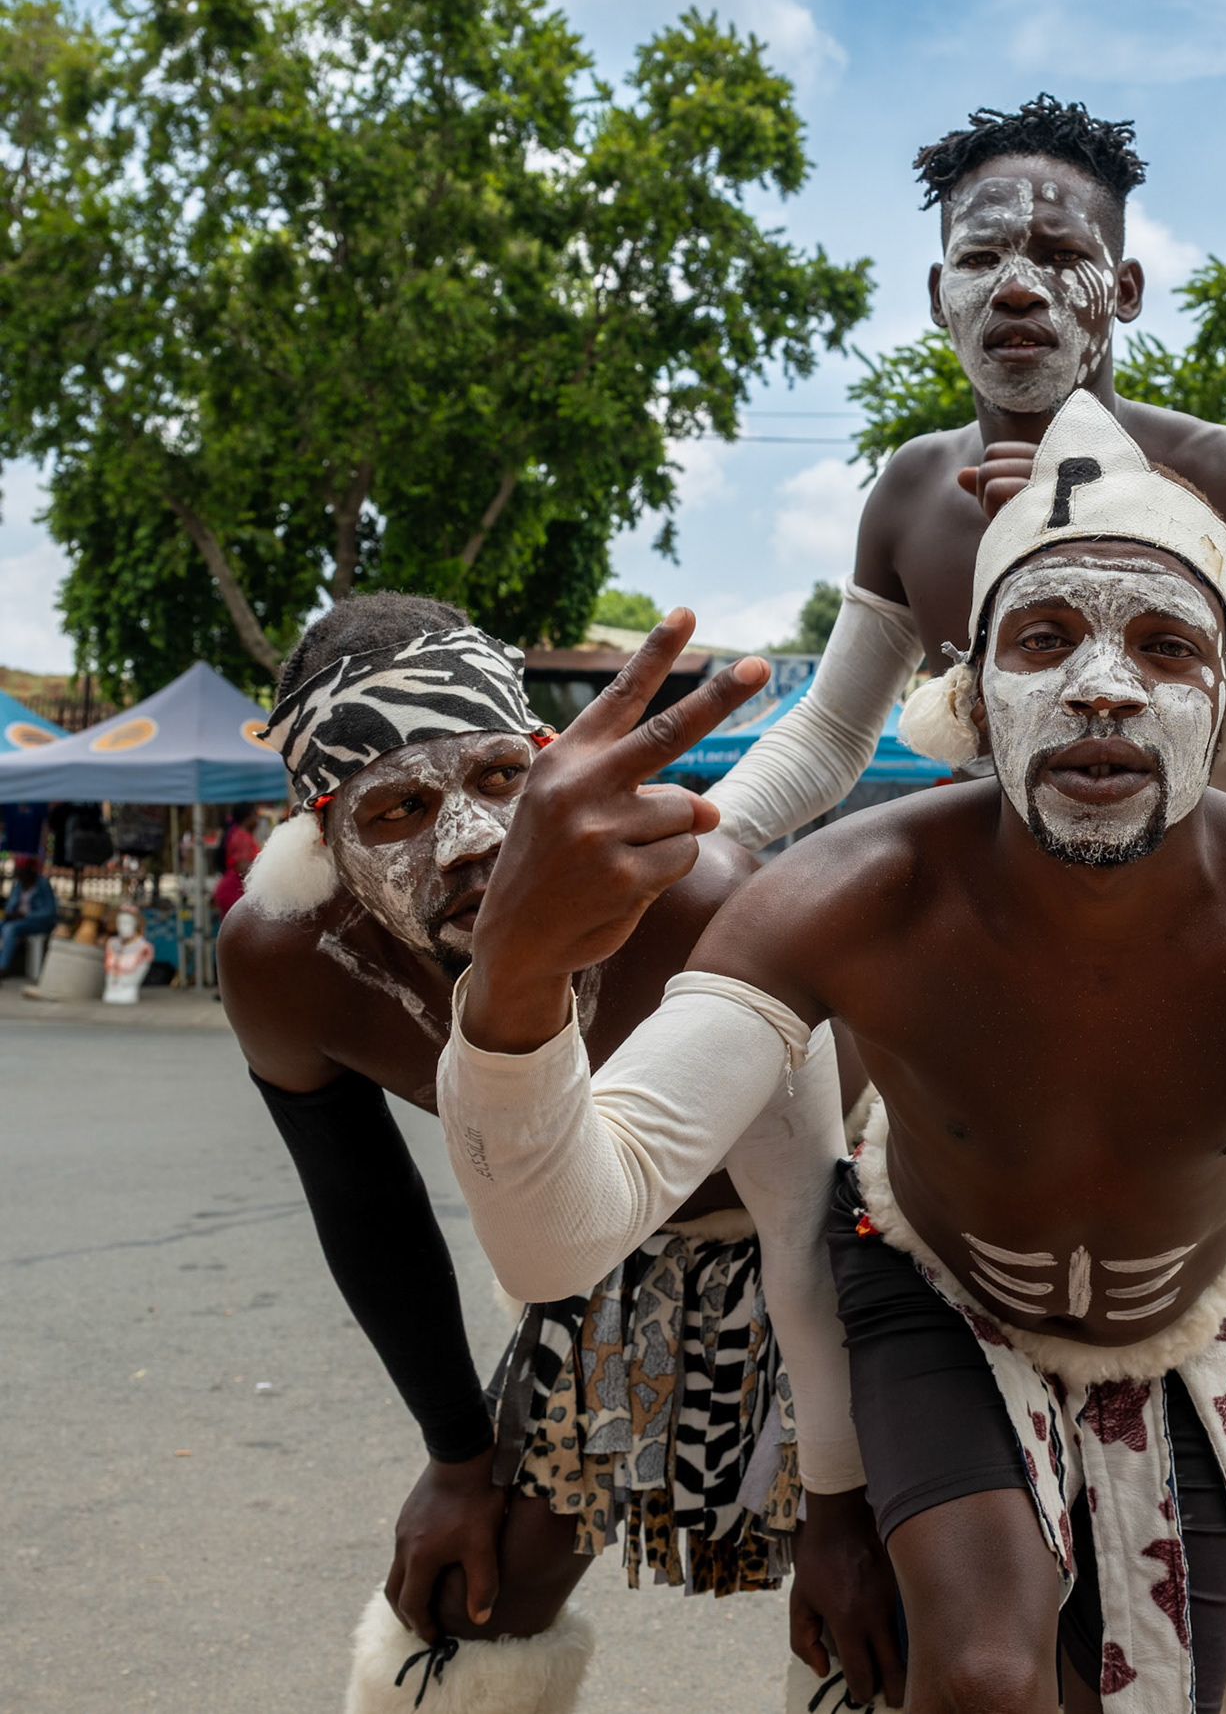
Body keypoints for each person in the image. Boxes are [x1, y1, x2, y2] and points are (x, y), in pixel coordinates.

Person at [438, 400, 1226, 1714]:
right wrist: (520, 982)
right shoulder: (838, 901)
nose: (1105, 682)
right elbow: (554, 1242)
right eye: (1047, 636)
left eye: (1165, 644)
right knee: (986, 1673)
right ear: (970, 700)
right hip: (932, 1292)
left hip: (1192, 1323)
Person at [700, 97, 1226, 1694]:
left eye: (1059, 250)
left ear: (1125, 291)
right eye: (982, 252)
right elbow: (826, 736)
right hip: (1001, 1010)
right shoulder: (908, 491)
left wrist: (1088, 513)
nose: (1019, 278)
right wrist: (686, 846)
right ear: (936, 295)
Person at [218, 593, 900, 1714]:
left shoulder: (695, 899)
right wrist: (454, 1452)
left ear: (550, 767)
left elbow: (802, 1224)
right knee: (460, 1608)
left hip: (848, 1225)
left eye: (497, 780)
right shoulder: (290, 961)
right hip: (606, 1246)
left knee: (886, 1617)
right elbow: (364, 1202)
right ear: (318, 843)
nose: (474, 841)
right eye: (397, 808)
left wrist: (845, 1509)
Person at [1, 853, 57, 975]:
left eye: (20, 870)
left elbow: (50, 912)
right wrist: (11, 914)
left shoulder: (43, 885)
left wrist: (25, 916)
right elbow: (10, 907)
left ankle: (3, 967)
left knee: (10, 928)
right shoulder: (18, 886)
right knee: (5, 925)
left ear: (29, 871)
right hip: (18, 922)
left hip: (38, 924)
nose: (18, 873)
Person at [212, 805, 263, 919]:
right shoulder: (242, 837)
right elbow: (243, 868)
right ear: (247, 818)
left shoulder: (240, 835)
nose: (257, 820)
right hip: (233, 892)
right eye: (255, 816)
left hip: (233, 890)